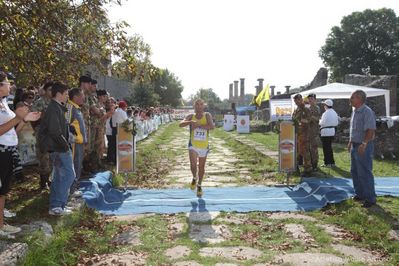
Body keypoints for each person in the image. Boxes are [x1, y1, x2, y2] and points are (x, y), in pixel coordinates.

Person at [0, 71, 41, 235]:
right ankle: (1, 226)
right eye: (7, 82)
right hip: (1, 151)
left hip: (9, 150)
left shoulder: (3, 103)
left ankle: (2, 223)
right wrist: (18, 118)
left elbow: (11, 130)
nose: (11, 85)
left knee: (3, 190)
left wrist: (25, 119)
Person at [39, 81, 75, 215]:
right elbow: (55, 131)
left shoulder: (57, 107)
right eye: (66, 94)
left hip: (58, 147)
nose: (67, 96)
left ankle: (57, 206)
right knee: (68, 175)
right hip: (58, 147)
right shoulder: (54, 108)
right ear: (58, 94)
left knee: (60, 176)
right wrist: (66, 146)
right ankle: (57, 204)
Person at [179, 99, 214, 197]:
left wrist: (199, 125)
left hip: (203, 145)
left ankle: (199, 185)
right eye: (197, 105)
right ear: (194, 106)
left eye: (201, 104)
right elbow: (180, 124)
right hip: (193, 145)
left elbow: (212, 126)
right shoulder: (191, 116)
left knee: (201, 167)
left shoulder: (207, 115)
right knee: (193, 165)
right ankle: (194, 177)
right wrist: (190, 122)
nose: (199, 106)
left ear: (204, 106)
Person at [348, 90, 376, 208]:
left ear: (359, 98)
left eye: (352, 97)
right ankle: (360, 194)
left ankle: (370, 198)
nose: (350, 99)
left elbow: (371, 130)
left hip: (363, 145)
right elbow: (354, 129)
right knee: (355, 171)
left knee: (364, 172)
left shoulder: (367, 111)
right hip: (355, 145)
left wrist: (364, 144)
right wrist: (350, 141)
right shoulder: (355, 111)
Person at [31, 81, 53, 189]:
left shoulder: (54, 102)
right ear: (44, 91)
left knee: (51, 156)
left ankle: (49, 179)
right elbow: (33, 116)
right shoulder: (40, 101)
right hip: (42, 131)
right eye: (49, 89)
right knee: (43, 155)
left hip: (52, 132)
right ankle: (43, 181)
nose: (52, 91)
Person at [65, 88, 87, 182]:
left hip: (79, 143)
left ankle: (75, 185)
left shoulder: (77, 108)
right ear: (75, 97)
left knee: (78, 164)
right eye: (82, 96)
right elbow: (66, 124)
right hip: (73, 143)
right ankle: (71, 188)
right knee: (73, 164)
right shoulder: (70, 107)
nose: (83, 98)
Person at [292, 94, 312, 176]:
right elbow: (293, 119)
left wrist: (300, 120)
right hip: (297, 134)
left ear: (301, 100)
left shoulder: (306, 109)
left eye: (298, 100)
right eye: (295, 101)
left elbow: (309, 120)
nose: (296, 102)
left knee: (305, 152)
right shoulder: (296, 110)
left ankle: (308, 170)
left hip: (304, 134)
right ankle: (295, 167)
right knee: (297, 151)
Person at [319, 99, 339, 167]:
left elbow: (322, 123)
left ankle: (327, 163)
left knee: (326, 148)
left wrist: (319, 121)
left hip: (325, 131)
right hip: (332, 131)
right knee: (329, 147)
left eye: (324, 105)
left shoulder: (325, 113)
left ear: (326, 106)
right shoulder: (335, 112)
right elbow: (337, 122)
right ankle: (332, 162)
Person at [307, 93, 320, 170]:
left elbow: (317, 118)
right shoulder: (308, 108)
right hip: (308, 131)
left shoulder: (316, 108)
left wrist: (310, 117)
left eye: (311, 99)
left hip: (314, 131)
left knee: (314, 149)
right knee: (309, 149)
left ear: (315, 100)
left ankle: (314, 165)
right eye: (309, 99)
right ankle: (310, 164)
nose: (310, 100)